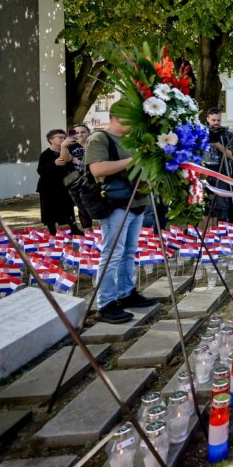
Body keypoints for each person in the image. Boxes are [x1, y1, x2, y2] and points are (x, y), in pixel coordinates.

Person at [84, 104, 158, 324]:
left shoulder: (131, 141)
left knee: (129, 251)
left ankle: (126, 293)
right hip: (115, 204)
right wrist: (133, 160)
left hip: (135, 202)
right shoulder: (99, 138)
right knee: (112, 254)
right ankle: (105, 303)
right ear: (118, 117)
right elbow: (97, 169)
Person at [36, 129, 82, 236]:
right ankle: (52, 231)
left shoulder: (67, 151)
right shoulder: (45, 154)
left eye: (63, 137)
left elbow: (70, 167)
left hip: (63, 186)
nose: (62, 139)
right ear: (51, 140)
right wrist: (54, 164)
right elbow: (40, 171)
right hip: (48, 187)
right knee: (49, 210)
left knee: (68, 208)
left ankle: (74, 228)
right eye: (59, 137)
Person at [203, 108, 233, 223]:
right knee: (205, 203)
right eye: (213, 120)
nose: (216, 122)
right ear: (207, 119)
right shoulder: (201, 132)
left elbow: (232, 156)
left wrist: (217, 145)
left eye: (218, 120)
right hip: (203, 172)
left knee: (222, 203)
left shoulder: (227, 135)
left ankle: (222, 231)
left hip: (221, 171)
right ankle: (206, 232)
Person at [60, 124, 93, 230]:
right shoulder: (71, 146)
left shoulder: (95, 144)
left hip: (95, 179)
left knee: (98, 205)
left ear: (89, 133)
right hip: (77, 181)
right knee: (82, 208)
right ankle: (88, 232)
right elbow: (66, 159)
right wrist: (63, 146)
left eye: (83, 132)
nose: (80, 135)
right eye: (77, 133)